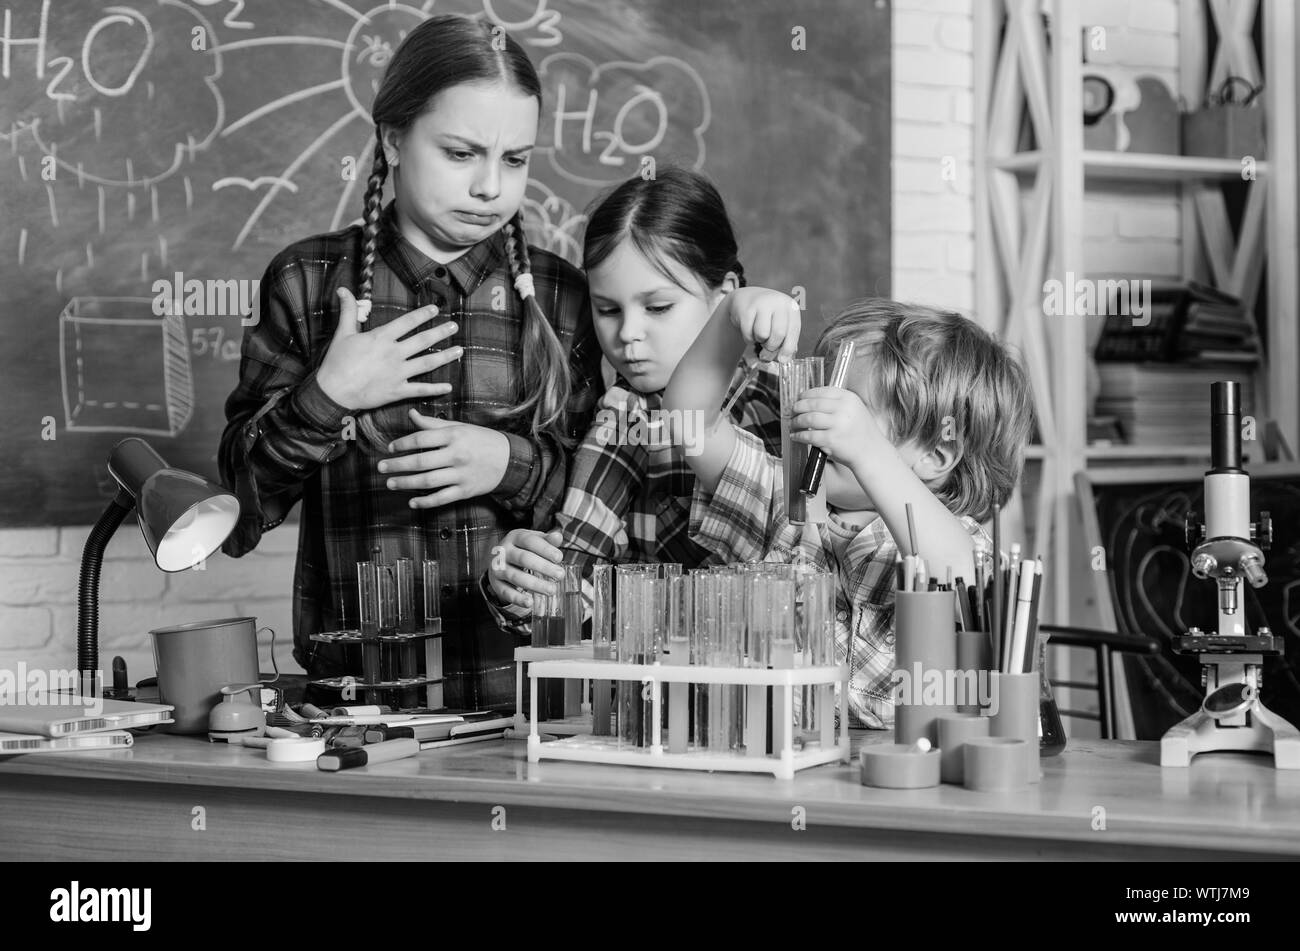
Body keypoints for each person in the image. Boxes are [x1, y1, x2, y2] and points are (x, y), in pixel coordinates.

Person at [219, 14, 602, 709]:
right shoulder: (308, 283)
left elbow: (613, 500)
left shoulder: (561, 297)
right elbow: (240, 511)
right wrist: (329, 393)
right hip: (358, 710)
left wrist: (507, 463)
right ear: (394, 139)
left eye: (515, 159)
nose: (491, 186)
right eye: (461, 153)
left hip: (534, 703)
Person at [663, 296, 1034, 728]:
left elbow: (963, 580)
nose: (818, 418)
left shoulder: (950, 542)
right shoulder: (782, 503)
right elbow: (689, 423)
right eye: (822, 396)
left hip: (903, 780)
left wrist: (868, 453)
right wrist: (730, 317)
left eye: (850, 409)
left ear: (936, 454)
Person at [482, 168, 781, 626]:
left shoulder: (782, 393)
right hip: (674, 683)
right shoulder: (626, 418)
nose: (628, 334)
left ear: (726, 298)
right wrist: (523, 585)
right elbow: (577, 573)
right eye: (607, 310)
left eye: (658, 307)